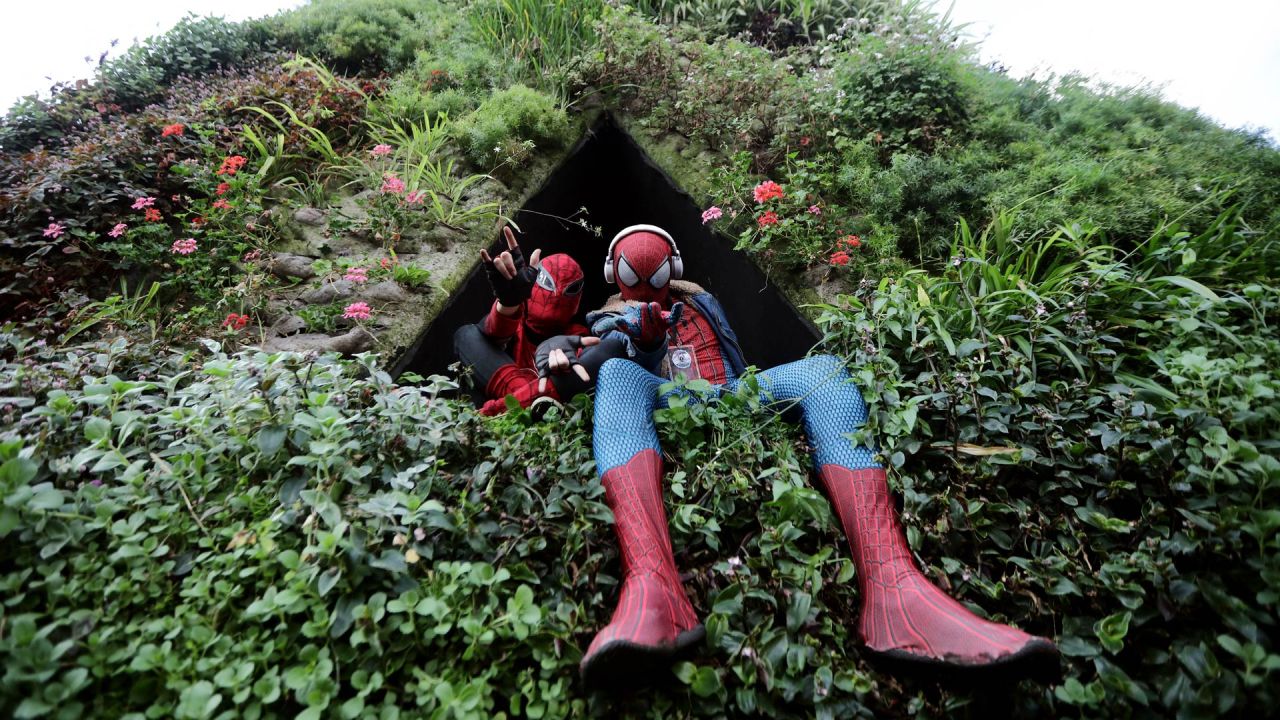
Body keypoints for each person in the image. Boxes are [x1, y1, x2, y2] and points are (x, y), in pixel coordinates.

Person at [578, 224, 1060, 688]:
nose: (647, 286)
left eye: (658, 275)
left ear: (674, 267)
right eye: (634, 275)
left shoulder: (699, 299)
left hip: (733, 390)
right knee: (617, 379)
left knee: (824, 370)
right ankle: (653, 586)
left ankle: (895, 587)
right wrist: (644, 339)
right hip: (670, 395)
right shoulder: (609, 314)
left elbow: (731, 349)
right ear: (613, 274)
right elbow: (615, 354)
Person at [453, 226, 616, 415]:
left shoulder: (578, 337)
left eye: (568, 289)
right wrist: (508, 304)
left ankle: (519, 404)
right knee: (466, 335)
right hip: (523, 410)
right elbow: (492, 334)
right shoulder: (517, 323)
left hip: (538, 416)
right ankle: (531, 402)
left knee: (606, 351)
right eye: (547, 282)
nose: (555, 294)